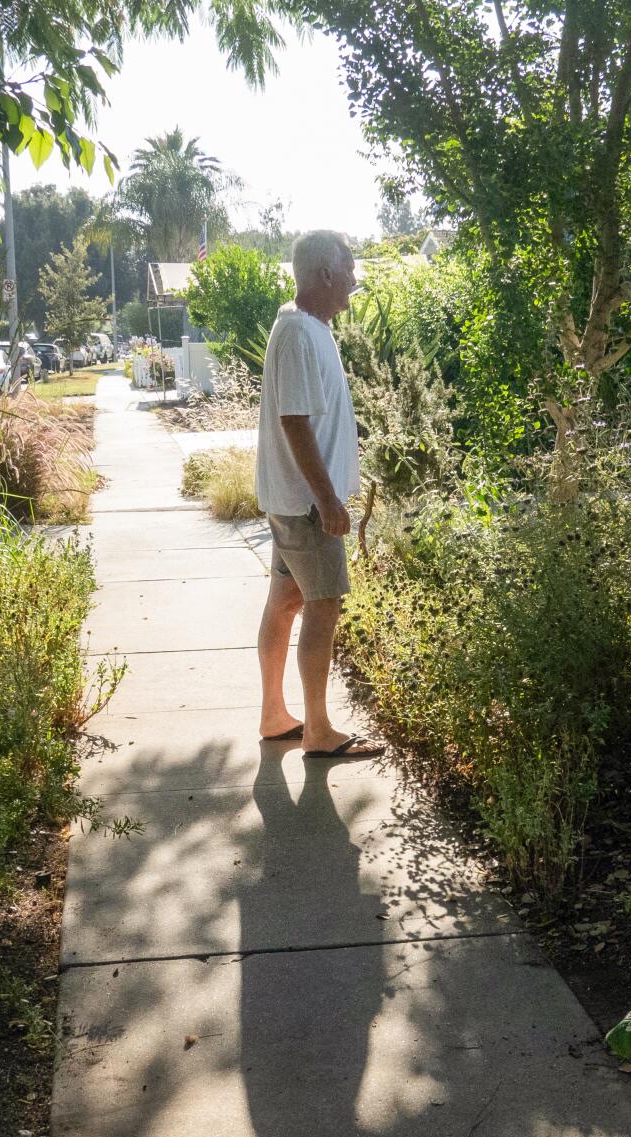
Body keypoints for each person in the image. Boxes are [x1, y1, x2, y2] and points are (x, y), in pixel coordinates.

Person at [254, 230, 383, 760]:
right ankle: (319, 730)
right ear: (325, 274)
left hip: (290, 501)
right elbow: (295, 423)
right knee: (322, 607)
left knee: (285, 602)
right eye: (349, 268)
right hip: (307, 507)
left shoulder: (305, 328)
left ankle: (274, 715)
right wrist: (328, 500)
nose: (355, 280)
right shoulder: (301, 334)